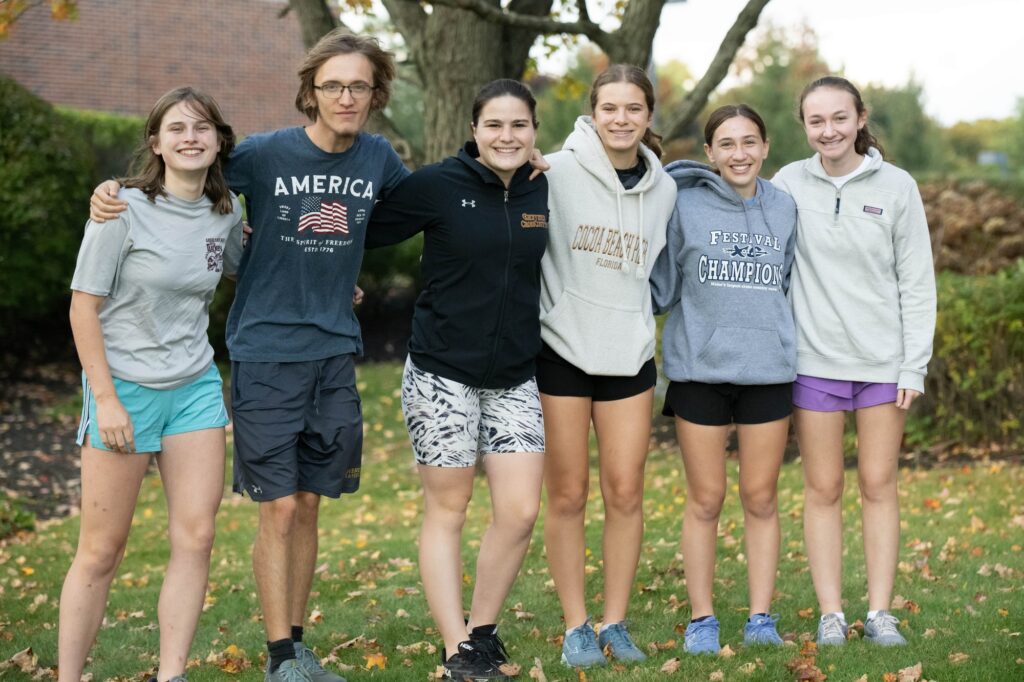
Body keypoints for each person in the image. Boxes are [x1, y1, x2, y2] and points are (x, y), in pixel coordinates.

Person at [89, 30, 410, 682]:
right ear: (310, 91)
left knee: (313, 502)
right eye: (333, 85)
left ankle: (297, 646)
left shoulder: (378, 159)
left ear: (376, 95)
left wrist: (527, 169)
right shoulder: (263, 155)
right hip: (265, 349)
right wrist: (112, 190)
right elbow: (183, 170)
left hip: (334, 352)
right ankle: (279, 657)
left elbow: (428, 204)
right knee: (281, 507)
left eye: (359, 86)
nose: (346, 97)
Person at [364, 79, 548, 681]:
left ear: (534, 132)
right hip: (442, 373)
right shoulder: (439, 186)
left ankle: (482, 633)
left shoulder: (541, 187)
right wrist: (330, 279)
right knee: (450, 507)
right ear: (474, 131)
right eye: (494, 125)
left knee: (519, 511)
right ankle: (455, 649)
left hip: (515, 374)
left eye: (518, 125)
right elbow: (360, 226)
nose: (506, 136)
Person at [60, 87, 242, 682]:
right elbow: (82, 308)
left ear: (218, 141)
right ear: (156, 143)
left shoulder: (227, 212)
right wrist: (106, 400)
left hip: (194, 386)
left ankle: (172, 674)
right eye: (177, 128)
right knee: (102, 549)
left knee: (197, 536)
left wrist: (331, 283)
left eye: (202, 128)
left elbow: (255, 262)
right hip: (126, 389)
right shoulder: (120, 210)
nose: (190, 138)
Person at [772, 76, 936, 648]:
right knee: (822, 488)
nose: (829, 130)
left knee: (877, 483)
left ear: (860, 117)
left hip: (883, 364)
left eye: (840, 118)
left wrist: (913, 365)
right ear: (804, 126)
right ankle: (831, 613)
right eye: (816, 121)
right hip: (813, 361)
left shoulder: (897, 186)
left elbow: (917, 283)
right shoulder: (788, 182)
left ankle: (881, 611)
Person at [539, 64, 677, 667]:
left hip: (629, 355)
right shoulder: (554, 170)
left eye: (634, 109)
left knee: (625, 493)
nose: (621, 120)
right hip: (562, 350)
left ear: (648, 117)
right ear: (593, 113)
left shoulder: (664, 188)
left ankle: (615, 622)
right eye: (610, 109)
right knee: (568, 496)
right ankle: (576, 626)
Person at [650, 105, 797, 654]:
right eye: (727, 144)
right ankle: (703, 619)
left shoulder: (784, 207)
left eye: (750, 142)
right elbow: (661, 286)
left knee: (761, 497)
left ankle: (761, 617)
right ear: (709, 152)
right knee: (706, 497)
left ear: (765, 147)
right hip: (700, 371)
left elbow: (785, 281)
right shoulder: (682, 205)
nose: (740, 153)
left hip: (767, 370)